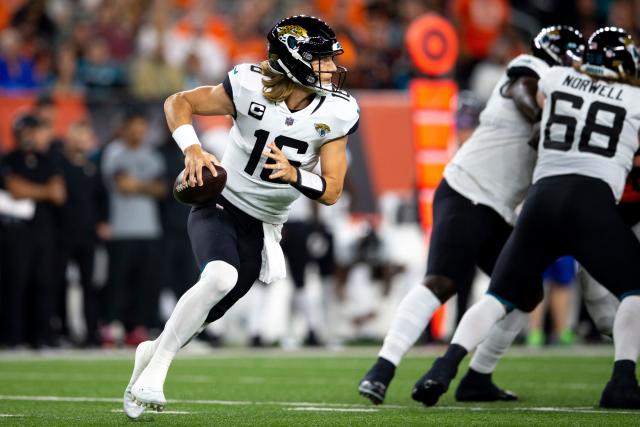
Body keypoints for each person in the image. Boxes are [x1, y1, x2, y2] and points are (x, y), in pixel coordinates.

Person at [122, 15, 359, 419]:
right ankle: (155, 373)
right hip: (220, 205)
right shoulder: (248, 85)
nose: (331, 66)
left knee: (205, 313)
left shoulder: (337, 112)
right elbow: (178, 102)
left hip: (265, 226)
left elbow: (332, 190)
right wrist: (192, 148)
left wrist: (295, 173)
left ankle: (151, 352)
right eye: (320, 58)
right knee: (220, 276)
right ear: (294, 62)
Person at [411, 27, 640, 410]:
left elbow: (538, 103)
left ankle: (445, 367)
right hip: (592, 202)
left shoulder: (556, 77)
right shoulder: (635, 98)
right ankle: (621, 380)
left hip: (542, 199)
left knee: (499, 296)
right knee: (635, 289)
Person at [358, 26, 585, 405]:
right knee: (443, 281)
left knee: (525, 293)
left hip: (498, 208)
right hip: (466, 190)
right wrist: (549, 125)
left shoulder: (566, 95)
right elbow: (525, 92)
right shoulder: (528, 69)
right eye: (576, 60)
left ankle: (478, 376)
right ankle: (382, 367)